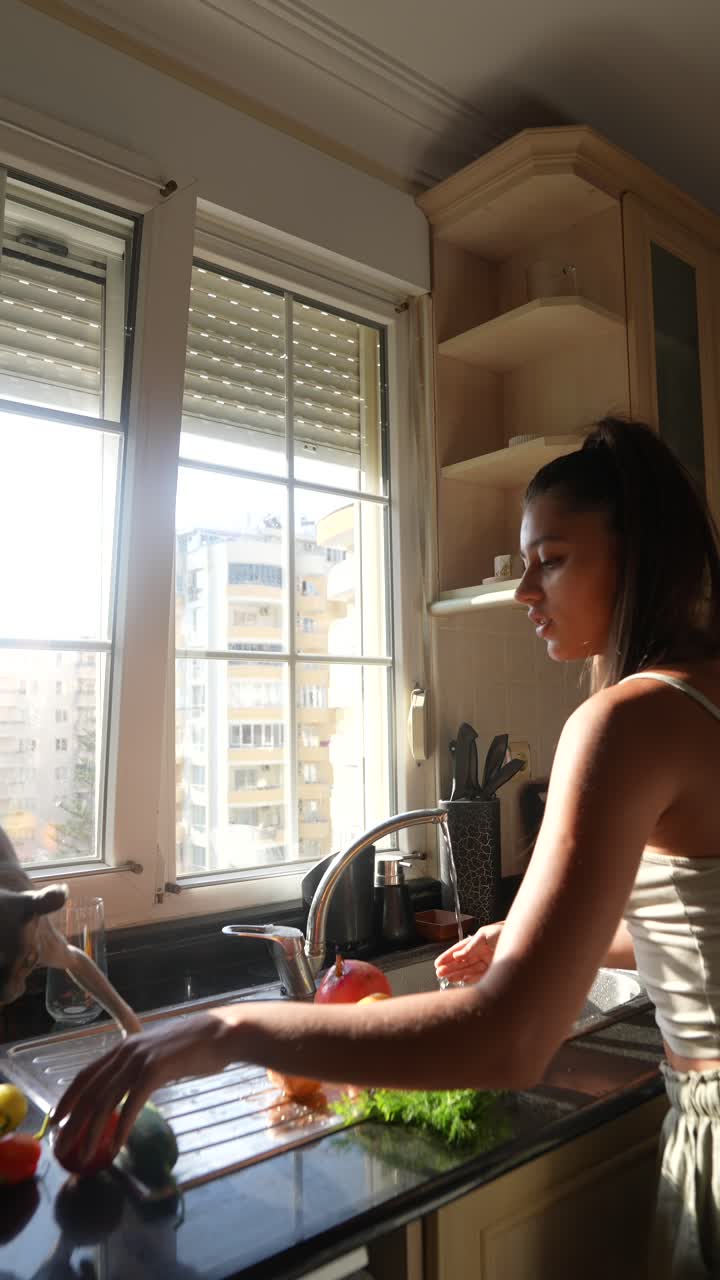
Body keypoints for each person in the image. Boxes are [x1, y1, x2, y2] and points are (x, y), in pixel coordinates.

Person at [55, 419, 720, 1275]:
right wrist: (519, 942)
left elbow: (508, 1042)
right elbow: (697, 918)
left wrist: (227, 1029)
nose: (526, 590)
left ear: (639, 559)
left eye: (550, 557)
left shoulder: (625, 720)